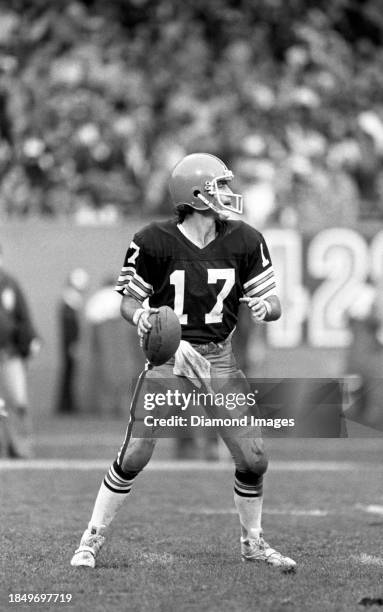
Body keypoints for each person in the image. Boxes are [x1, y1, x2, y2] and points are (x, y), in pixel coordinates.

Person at [70, 153, 296, 571]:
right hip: (171, 358)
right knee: (136, 452)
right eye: (219, 186)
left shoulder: (245, 240)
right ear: (196, 195)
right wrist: (142, 317)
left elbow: (274, 300)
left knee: (254, 458)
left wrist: (268, 307)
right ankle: (91, 538)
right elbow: (129, 303)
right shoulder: (153, 240)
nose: (228, 193)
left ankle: (253, 542)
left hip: (219, 358)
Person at [0, 245, 40, 458]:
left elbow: (23, 316)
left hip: (8, 353)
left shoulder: (9, 284)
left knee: (18, 401)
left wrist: (31, 340)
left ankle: (21, 447)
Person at [55, 268, 89, 414]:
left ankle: (67, 403)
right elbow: (71, 327)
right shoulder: (70, 301)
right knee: (69, 372)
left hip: (69, 344)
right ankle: (66, 405)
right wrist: (73, 344)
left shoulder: (68, 300)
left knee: (69, 372)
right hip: (70, 344)